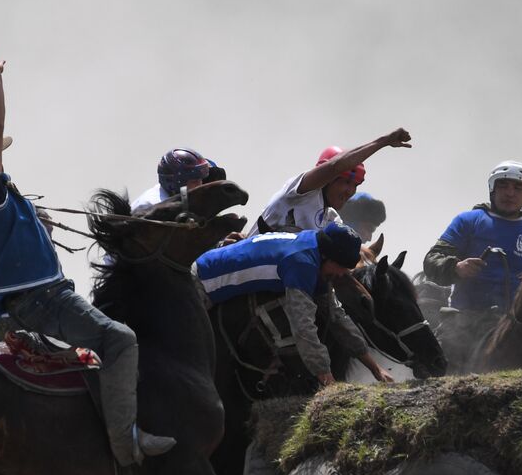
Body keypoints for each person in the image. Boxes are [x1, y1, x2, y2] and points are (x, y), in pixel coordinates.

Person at [0, 38, 176, 467]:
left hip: (3, 312)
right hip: (43, 302)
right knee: (121, 341)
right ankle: (126, 446)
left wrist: (34, 225)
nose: (5, 162)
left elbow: (3, 246)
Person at [196, 222, 395, 386]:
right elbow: (303, 328)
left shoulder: (317, 250)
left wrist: (375, 367)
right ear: (327, 257)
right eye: (341, 267)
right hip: (201, 284)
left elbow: (336, 316)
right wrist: (327, 379)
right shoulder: (302, 264)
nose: (342, 274)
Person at [422, 161, 522, 365]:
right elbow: (432, 261)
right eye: (503, 185)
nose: (510, 193)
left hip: (519, 324)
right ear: (493, 189)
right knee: (439, 364)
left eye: (518, 187)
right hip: (465, 320)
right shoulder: (468, 221)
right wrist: (456, 268)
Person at [252, 130, 411, 234]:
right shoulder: (298, 191)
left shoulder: (331, 218)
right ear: (327, 179)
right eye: (345, 182)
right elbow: (335, 166)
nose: (350, 191)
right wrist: (383, 142)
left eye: (355, 185)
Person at [131, 148, 224, 213]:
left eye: (201, 179)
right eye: (195, 180)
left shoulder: (180, 202)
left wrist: (220, 241)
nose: (200, 185)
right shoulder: (149, 206)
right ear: (175, 183)